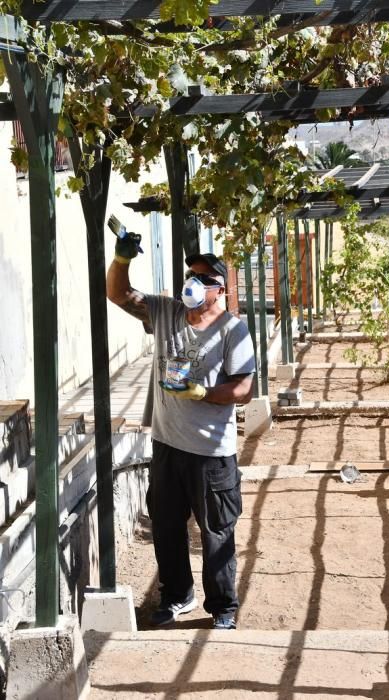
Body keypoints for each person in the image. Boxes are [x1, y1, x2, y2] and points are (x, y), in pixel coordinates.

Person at [106, 232, 255, 630]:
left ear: (219, 288)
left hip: (211, 453)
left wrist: (203, 392)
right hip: (167, 446)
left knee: (216, 531)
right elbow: (119, 295)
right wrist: (121, 260)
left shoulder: (232, 331)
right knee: (167, 526)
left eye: (202, 278)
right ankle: (177, 595)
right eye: (190, 274)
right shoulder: (166, 313)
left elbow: (244, 388)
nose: (192, 282)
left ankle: (223, 606)